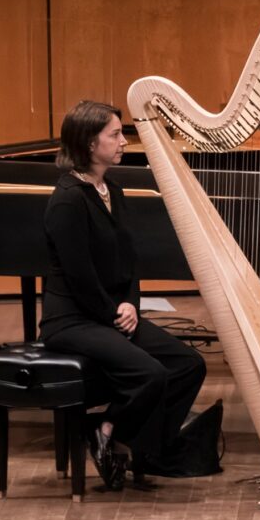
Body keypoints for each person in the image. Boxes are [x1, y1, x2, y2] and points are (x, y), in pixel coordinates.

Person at [42, 100, 207, 490]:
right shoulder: (68, 200)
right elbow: (80, 277)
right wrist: (115, 314)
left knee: (188, 364)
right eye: (115, 134)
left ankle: (119, 437)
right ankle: (112, 436)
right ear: (89, 142)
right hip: (73, 319)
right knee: (150, 373)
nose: (122, 142)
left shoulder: (112, 190)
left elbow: (129, 260)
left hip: (112, 312)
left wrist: (131, 302)